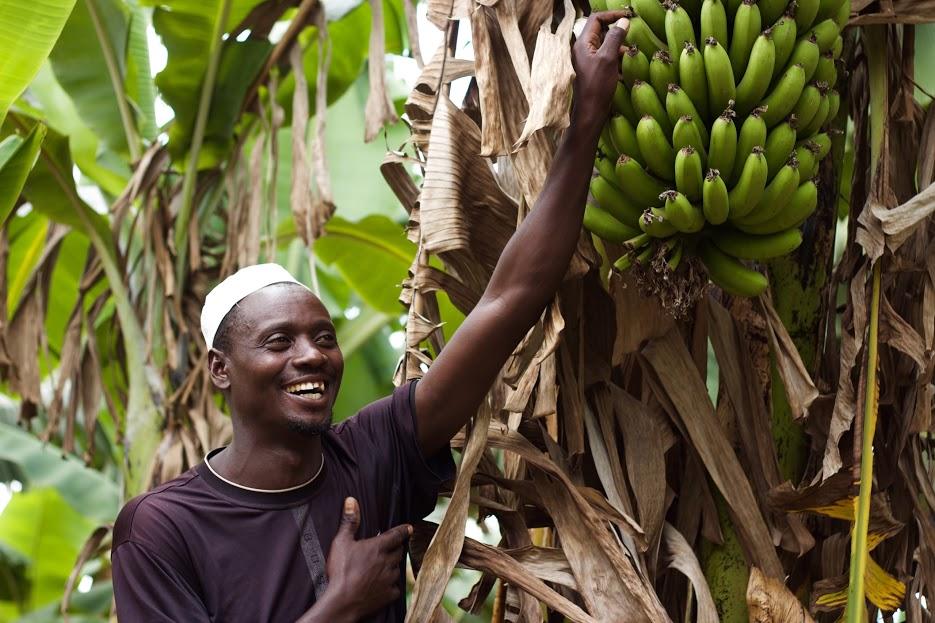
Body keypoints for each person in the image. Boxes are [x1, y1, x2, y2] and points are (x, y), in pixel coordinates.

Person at [110, 12, 630, 623]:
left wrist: (586, 117)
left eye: (323, 337)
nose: (311, 356)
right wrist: (339, 605)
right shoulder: (161, 529)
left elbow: (509, 298)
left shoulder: (373, 455)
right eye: (278, 341)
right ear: (221, 370)